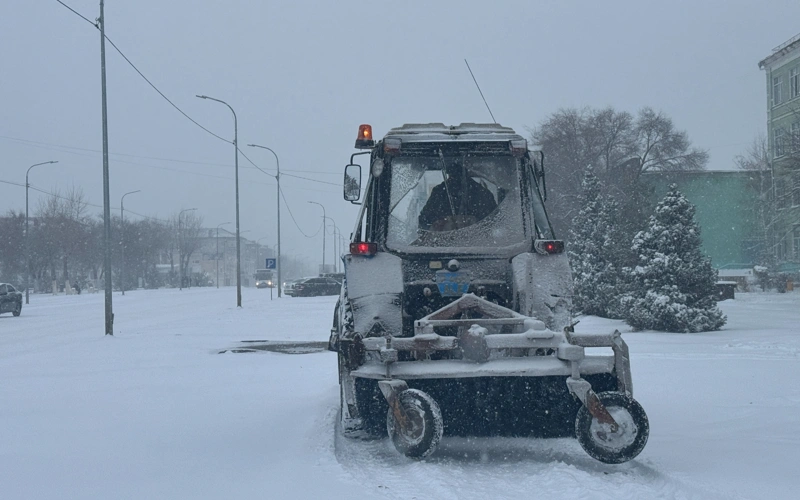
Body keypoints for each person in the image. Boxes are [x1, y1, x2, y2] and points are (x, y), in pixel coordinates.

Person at [418, 160, 497, 231]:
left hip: (446, 244)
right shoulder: (483, 194)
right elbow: (495, 222)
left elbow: (424, 223)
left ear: (448, 172)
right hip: (479, 244)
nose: (456, 179)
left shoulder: (439, 192)